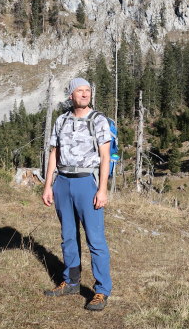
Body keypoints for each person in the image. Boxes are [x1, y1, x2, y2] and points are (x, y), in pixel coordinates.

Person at [42, 77, 112, 311]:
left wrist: (102, 189)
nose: (84, 94)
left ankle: (101, 290)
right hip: (62, 182)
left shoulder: (99, 121)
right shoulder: (61, 120)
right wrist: (48, 185)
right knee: (68, 236)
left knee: (95, 240)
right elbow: (54, 153)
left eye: (88, 91)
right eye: (79, 91)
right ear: (70, 95)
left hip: (86, 183)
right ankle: (71, 281)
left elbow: (105, 158)